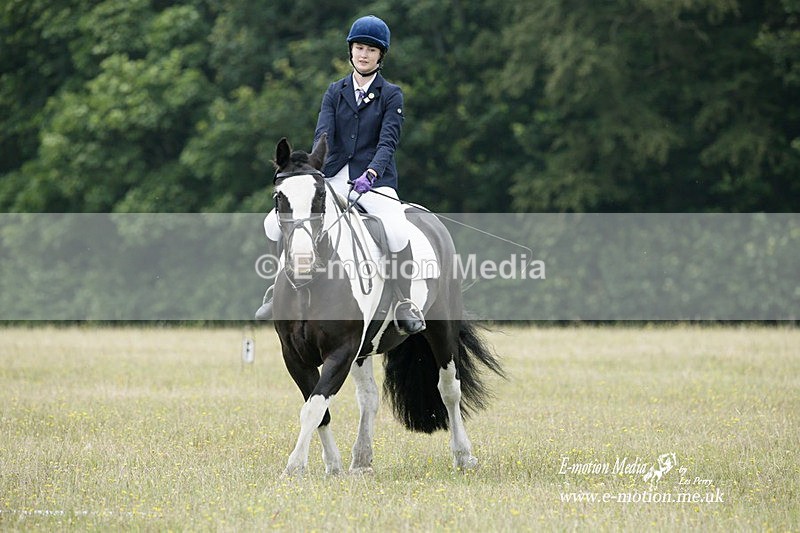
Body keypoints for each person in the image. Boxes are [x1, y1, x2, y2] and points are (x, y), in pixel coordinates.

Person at [256, 15, 426, 335]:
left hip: (375, 183)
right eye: (359, 48)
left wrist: (372, 173)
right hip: (332, 179)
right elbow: (324, 134)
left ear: (380, 56)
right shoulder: (335, 91)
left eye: (371, 50)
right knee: (272, 222)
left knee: (396, 230)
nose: (363, 55)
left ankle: (404, 302)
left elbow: (388, 141)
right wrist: (313, 168)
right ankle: (274, 288)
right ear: (351, 50)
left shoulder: (391, 95)